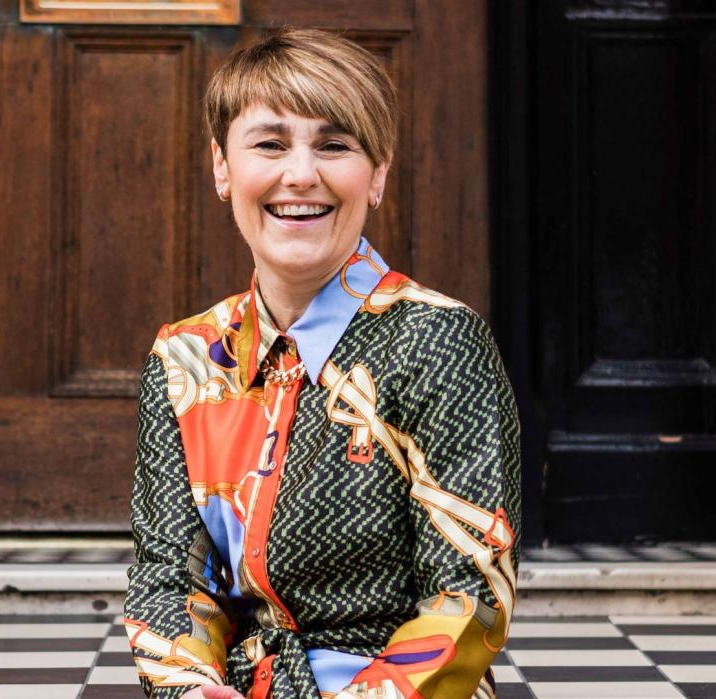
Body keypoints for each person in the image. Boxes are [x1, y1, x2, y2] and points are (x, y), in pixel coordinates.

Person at [124, 27, 520, 699]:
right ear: (223, 167)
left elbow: (468, 591)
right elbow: (168, 578)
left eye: (335, 145)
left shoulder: (439, 342)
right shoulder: (184, 356)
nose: (301, 174)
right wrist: (191, 688)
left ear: (378, 173)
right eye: (270, 144)